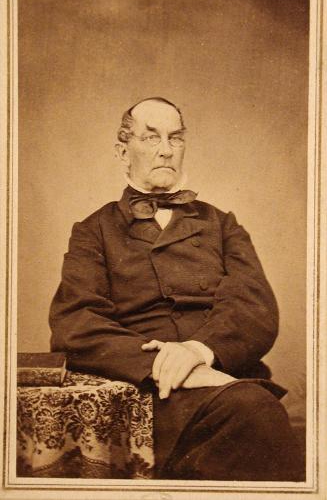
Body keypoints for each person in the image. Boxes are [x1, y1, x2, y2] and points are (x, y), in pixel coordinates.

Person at [49, 97, 304, 481]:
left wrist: (199, 352)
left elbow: (255, 307)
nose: (166, 150)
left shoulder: (222, 224)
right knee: (252, 412)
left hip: (224, 373)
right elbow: (75, 323)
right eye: (151, 138)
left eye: (175, 138)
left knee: (253, 412)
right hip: (153, 391)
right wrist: (166, 367)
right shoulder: (93, 230)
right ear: (123, 150)